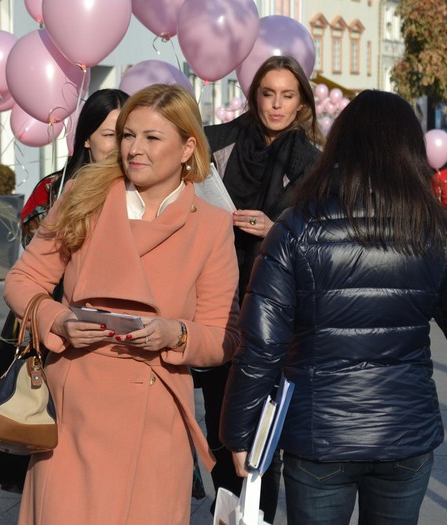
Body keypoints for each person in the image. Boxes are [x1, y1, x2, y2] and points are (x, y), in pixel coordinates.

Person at [220, 90, 447, 525]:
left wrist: (239, 431)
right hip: (404, 432)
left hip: (319, 434)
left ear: (339, 145)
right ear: (411, 150)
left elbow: (260, 345)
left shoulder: (296, 227)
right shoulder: (435, 228)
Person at [3, 84, 240, 525]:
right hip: (75, 411)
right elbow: (23, 279)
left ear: (188, 146)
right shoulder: (83, 196)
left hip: (156, 415)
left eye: (152, 138)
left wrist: (177, 334)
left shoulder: (210, 225)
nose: (134, 149)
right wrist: (58, 320)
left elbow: (224, 335)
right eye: (128, 135)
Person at [199, 54, 323, 521]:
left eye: (287, 95)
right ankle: (225, 505)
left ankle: (257, 515)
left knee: (262, 429)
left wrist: (275, 228)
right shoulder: (218, 142)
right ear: (254, 97)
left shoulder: (313, 164)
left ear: (301, 103)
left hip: (274, 306)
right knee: (218, 417)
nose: (276, 105)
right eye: (268, 94)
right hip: (214, 296)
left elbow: (315, 237)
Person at [20, 88, 129, 246]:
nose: (119, 145)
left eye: (126, 135)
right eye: (109, 135)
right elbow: (36, 257)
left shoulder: (145, 189)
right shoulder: (52, 191)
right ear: (87, 139)